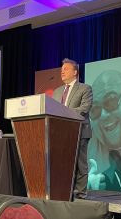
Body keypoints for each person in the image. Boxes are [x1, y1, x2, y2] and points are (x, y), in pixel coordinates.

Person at [87, 70, 121, 192]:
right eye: (95, 109)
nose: (103, 115)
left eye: (111, 101)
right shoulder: (87, 146)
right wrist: (85, 186)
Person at [53, 58, 93, 199]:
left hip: (79, 131)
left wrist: (63, 113)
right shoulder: (57, 91)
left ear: (75, 72)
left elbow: (84, 108)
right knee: (64, 164)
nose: (62, 72)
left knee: (80, 164)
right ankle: (66, 191)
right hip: (61, 133)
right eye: (61, 70)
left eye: (66, 69)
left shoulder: (85, 88)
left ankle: (81, 194)